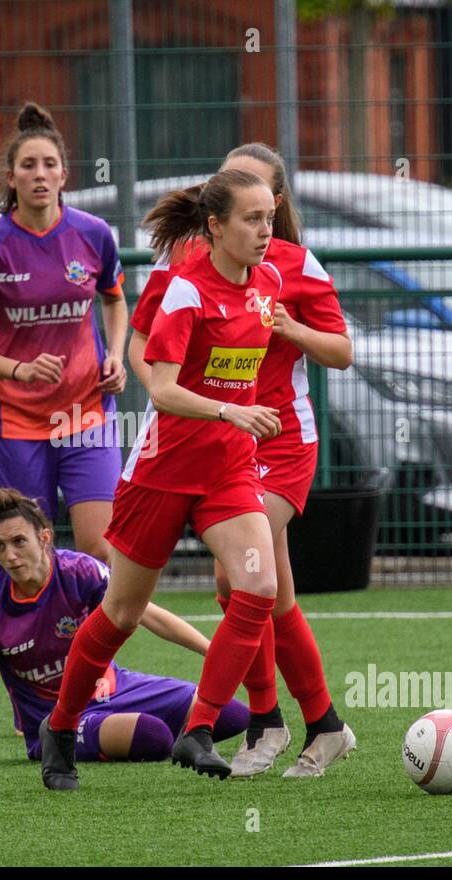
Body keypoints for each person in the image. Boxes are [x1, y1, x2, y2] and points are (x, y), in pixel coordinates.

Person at [38, 168, 285, 790]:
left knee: (257, 585)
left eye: (269, 217)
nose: (265, 230)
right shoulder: (184, 292)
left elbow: (246, 367)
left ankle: (198, 729)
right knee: (121, 612)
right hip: (163, 472)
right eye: (252, 220)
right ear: (215, 227)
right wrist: (233, 409)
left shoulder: (269, 283)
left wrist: (254, 413)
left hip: (228, 470)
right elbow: (167, 388)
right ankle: (61, 727)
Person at [127, 143, 357, 779]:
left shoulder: (291, 265)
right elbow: (144, 335)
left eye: (259, 195)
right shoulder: (191, 263)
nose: (250, 210)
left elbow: (341, 350)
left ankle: (273, 722)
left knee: (243, 580)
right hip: (223, 440)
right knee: (260, 584)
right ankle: (311, 724)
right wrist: (161, 391)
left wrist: (292, 330)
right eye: (232, 189)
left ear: (275, 203)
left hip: (281, 440)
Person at [0, 101, 208, 657]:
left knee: (98, 551)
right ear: (11, 177)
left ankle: (96, 662)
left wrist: (113, 356)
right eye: (28, 166)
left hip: (86, 417)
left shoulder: (92, 235)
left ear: (65, 174)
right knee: (27, 556)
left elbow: (115, 302)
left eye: (49, 165)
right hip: (17, 423)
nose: (40, 175)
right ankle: (39, 667)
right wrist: (18, 368)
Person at [0, 489, 249, 770]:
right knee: (152, 736)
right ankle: (73, 740)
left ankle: (166, 731)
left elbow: (147, 613)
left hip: (119, 688)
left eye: (19, 541)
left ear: (44, 538)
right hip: (57, 721)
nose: (10, 555)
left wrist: (214, 651)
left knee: (233, 715)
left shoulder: (80, 571)